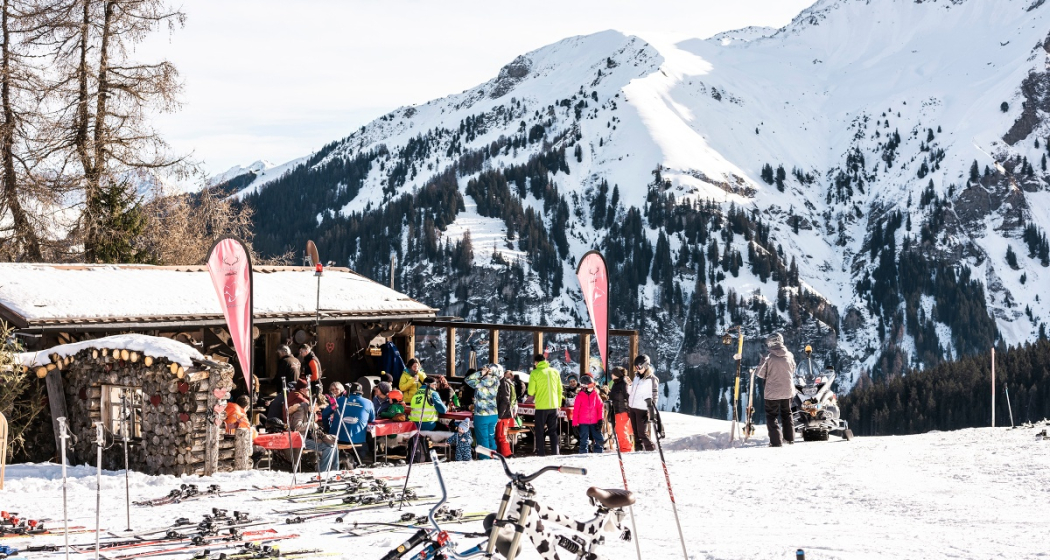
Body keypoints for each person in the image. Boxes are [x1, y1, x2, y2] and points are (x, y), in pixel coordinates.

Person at [320, 382, 376, 468]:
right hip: (357, 439)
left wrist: (329, 429)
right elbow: (372, 419)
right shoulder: (368, 403)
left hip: (337, 437)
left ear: (347, 391)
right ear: (361, 392)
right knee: (364, 448)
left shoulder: (338, 400)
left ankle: (343, 461)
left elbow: (324, 414)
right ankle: (355, 464)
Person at [756, 332, 796, 447]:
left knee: (772, 415)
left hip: (772, 392)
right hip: (788, 391)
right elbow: (793, 369)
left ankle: (776, 442)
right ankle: (789, 439)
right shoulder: (790, 356)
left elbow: (761, 374)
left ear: (771, 343)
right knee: (787, 413)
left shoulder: (769, 359)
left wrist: (761, 363)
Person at [528, 354, 563, 456]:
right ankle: (555, 452)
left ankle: (541, 453)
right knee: (553, 431)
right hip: (554, 406)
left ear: (536, 362)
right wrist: (559, 404)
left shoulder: (535, 373)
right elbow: (560, 389)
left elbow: (531, 391)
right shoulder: (555, 372)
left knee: (539, 431)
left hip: (541, 406)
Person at [466, 364, 500, 459]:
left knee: (483, 438)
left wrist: (480, 373)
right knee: (491, 437)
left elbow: (468, 380)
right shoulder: (496, 381)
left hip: (481, 414)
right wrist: (490, 371)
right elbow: (498, 374)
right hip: (493, 413)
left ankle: (485, 459)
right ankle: (494, 457)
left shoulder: (480, 383)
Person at [627, 355, 657, 451]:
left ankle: (650, 449)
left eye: (639, 367)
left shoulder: (651, 379)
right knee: (635, 432)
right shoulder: (637, 377)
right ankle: (638, 450)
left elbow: (654, 395)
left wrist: (650, 410)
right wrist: (630, 385)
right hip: (632, 407)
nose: (637, 369)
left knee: (642, 433)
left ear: (646, 365)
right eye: (636, 367)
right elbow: (631, 392)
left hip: (642, 408)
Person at [572, 375, 605, 453]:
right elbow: (576, 411)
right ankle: (583, 454)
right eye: (590, 386)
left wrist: (600, 420)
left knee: (599, 438)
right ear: (584, 387)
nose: (592, 388)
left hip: (595, 421)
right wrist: (574, 424)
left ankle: (599, 452)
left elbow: (600, 408)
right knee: (584, 439)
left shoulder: (596, 395)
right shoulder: (579, 396)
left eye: (593, 385)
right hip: (583, 422)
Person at [607, 367, 633, 453]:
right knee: (619, 431)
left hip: (622, 410)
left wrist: (629, 409)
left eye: (613, 373)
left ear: (617, 374)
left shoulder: (623, 383)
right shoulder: (616, 383)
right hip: (617, 410)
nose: (611, 375)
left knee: (621, 431)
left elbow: (628, 396)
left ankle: (626, 449)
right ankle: (624, 448)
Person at [494, 367, 518, 457]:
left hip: (504, 414)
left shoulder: (503, 383)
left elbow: (505, 400)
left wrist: (500, 415)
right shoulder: (501, 382)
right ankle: (500, 453)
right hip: (502, 413)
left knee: (501, 435)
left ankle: (507, 454)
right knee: (498, 435)